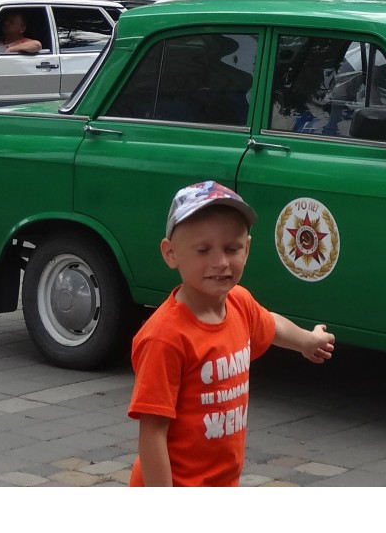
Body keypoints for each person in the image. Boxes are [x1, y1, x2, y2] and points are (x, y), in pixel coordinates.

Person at [127, 181, 336, 487]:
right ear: (171, 254)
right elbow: (152, 432)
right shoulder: (165, 337)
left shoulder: (239, 302)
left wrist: (306, 340)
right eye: (203, 250)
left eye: (232, 248)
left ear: (247, 248)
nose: (220, 262)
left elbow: (269, 324)